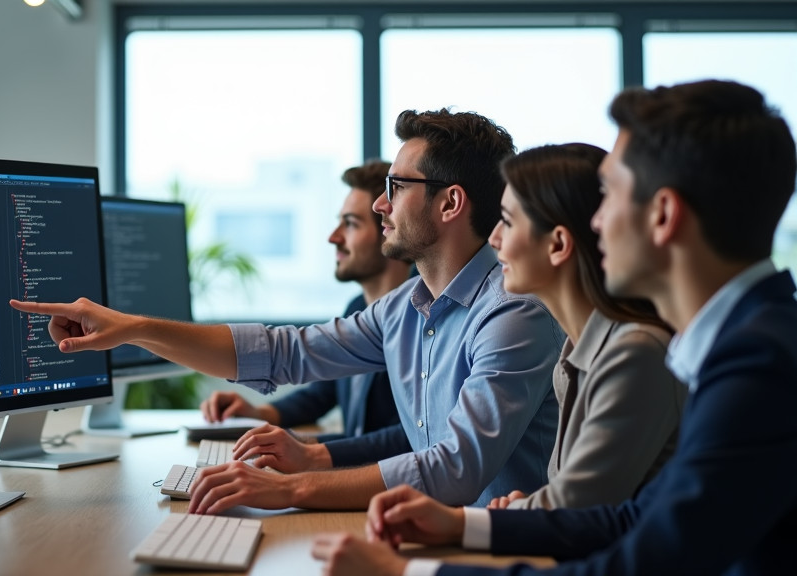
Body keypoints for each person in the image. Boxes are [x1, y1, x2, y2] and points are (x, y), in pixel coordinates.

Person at [311, 79, 797, 576]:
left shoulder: (758, 364)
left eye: (608, 195)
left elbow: (643, 561)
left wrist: (406, 572)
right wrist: (467, 527)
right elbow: (638, 519)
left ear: (664, 214)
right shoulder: (746, 342)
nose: (596, 220)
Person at [10, 108, 564, 514]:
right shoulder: (404, 309)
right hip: (437, 532)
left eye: (396, 187)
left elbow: (455, 469)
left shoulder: (512, 312)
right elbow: (286, 352)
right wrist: (130, 329)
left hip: (500, 550)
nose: (380, 203)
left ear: (450, 202)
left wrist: (291, 487)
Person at [476, 143, 687, 511]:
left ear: (558, 244)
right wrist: (532, 506)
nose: (494, 238)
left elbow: (576, 508)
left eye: (507, 222)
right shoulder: (577, 350)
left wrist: (494, 519)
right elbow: (573, 498)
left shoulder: (635, 351)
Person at [200, 159, 409, 442]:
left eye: (350, 224)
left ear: (388, 228)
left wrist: (310, 451)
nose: (333, 237)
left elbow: (408, 440)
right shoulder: (357, 309)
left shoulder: (417, 320)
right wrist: (260, 414)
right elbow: (326, 391)